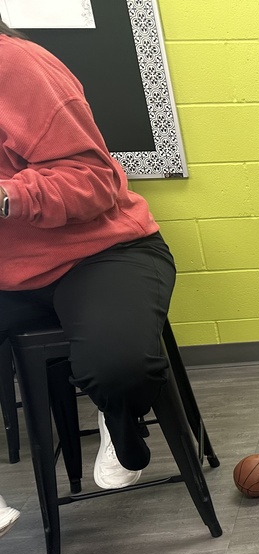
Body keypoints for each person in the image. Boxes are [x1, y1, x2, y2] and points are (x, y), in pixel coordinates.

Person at [0, 18, 176, 490]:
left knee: (118, 369)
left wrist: (7, 198)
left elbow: (92, 181)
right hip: (7, 276)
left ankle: (118, 417)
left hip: (98, 252)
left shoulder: (15, 63)